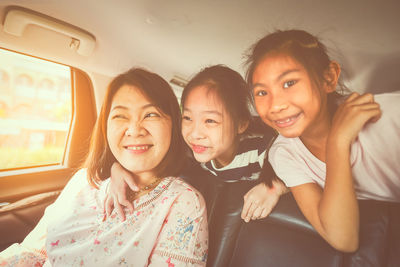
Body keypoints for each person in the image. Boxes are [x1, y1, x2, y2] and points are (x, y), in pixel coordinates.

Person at [0, 68, 208, 266]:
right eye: (120, 116)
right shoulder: (83, 180)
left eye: (151, 114)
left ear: (174, 124)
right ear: (105, 126)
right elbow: (33, 252)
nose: (134, 130)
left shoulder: (183, 202)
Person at [245, 29, 400, 252]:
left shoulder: (388, 118)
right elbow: (343, 238)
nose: (275, 105)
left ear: (328, 78)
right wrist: (338, 141)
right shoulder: (284, 152)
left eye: (289, 83)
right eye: (261, 93)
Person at [106, 65, 287, 223]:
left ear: (241, 124)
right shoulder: (190, 150)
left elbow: (304, 164)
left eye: (210, 121)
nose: (195, 133)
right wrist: (117, 169)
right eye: (187, 118)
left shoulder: (262, 149)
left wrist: (273, 186)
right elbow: (149, 162)